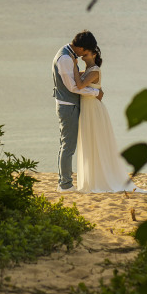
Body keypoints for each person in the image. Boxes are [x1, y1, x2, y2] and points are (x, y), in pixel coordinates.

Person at [73, 45, 140, 193]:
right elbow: (77, 80)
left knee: (97, 142)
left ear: (94, 55)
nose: (83, 53)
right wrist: (75, 68)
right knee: (89, 142)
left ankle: (100, 179)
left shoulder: (95, 70)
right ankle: (92, 179)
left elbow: (79, 84)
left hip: (94, 110)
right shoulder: (87, 71)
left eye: (87, 51)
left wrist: (74, 65)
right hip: (87, 110)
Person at [52, 30, 103, 192]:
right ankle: (65, 185)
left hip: (68, 104)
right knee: (68, 146)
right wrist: (96, 93)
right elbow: (73, 87)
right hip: (68, 105)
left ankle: (65, 182)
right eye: (86, 51)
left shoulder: (67, 54)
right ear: (81, 48)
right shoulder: (66, 58)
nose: (85, 55)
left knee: (67, 144)